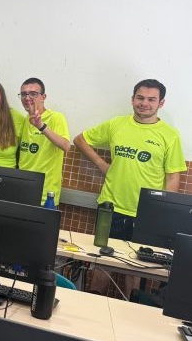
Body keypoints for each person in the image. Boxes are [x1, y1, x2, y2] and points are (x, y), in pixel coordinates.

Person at [74, 79, 185, 239]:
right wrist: (102, 165)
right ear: (132, 99)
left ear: (161, 103)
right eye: (140, 98)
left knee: (139, 262)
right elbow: (80, 140)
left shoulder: (170, 135)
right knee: (103, 258)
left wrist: (163, 211)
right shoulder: (116, 124)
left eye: (151, 99)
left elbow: (173, 176)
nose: (144, 103)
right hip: (110, 207)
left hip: (148, 212)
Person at [17, 77, 70, 205]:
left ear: (43, 97)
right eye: (23, 94)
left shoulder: (55, 118)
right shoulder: (24, 119)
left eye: (33, 94)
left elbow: (66, 146)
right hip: (22, 190)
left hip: (46, 195)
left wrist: (41, 126)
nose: (27, 97)